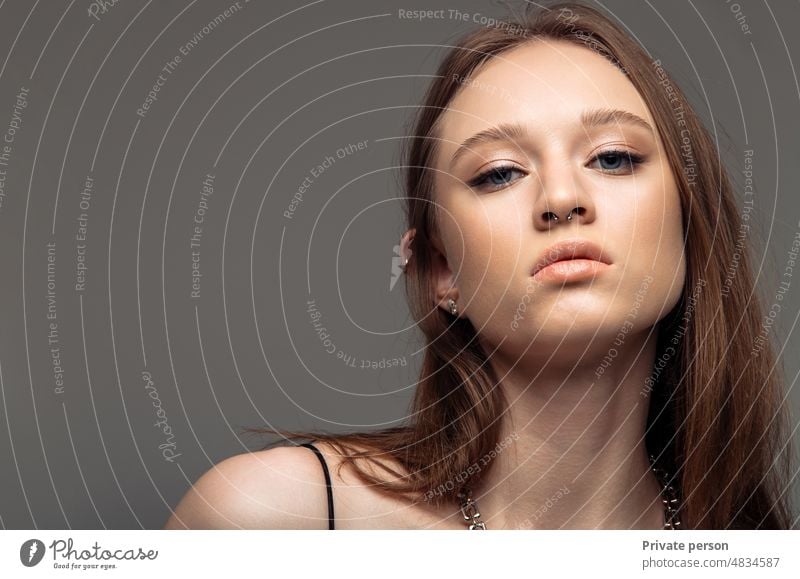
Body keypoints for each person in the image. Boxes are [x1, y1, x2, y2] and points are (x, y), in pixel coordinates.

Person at [164, 1, 795, 530]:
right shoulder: (277, 520)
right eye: (499, 173)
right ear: (442, 269)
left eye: (612, 158)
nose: (561, 199)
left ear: (689, 222)